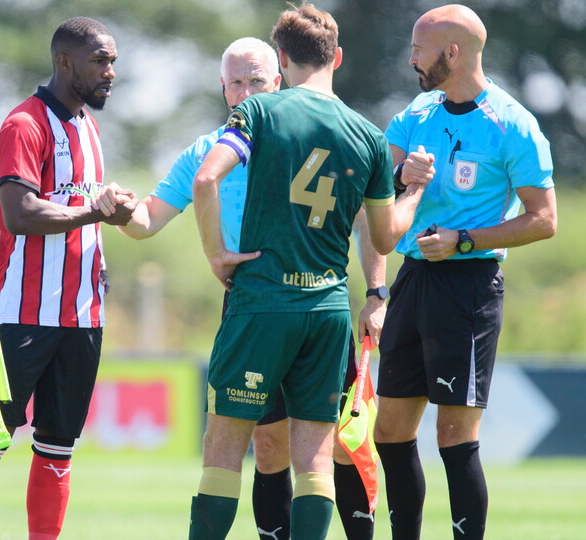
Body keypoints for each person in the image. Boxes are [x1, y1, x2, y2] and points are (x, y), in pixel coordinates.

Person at [114, 36, 388, 540]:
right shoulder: (210, 146)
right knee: (270, 447)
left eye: (255, 81)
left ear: (278, 79)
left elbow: (366, 223)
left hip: (286, 302)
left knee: (340, 445)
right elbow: (148, 219)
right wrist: (117, 210)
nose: (244, 93)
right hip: (260, 299)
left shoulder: (292, 136)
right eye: (235, 83)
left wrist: (376, 291)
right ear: (222, 88)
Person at [186, 4, 433, 539]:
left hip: (261, 304)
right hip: (326, 310)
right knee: (316, 460)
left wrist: (216, 254)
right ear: (336, 57)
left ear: (281, 59)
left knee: (224, 448)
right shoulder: (368, 135)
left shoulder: (261, 113)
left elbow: (207, 180)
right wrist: (414, 191)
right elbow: (386, 235)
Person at [373, 5, 557, 540]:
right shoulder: (418, 111)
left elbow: (544, 221)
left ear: (452, 52)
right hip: (412, 279)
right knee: (390, 430)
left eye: (418, 49)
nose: (410, 58)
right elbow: (376, 183)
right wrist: (398, 173)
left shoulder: (513, 122)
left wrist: (464, 240)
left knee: (454, 432)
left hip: (469, 287)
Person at [0, 17, 137, 540]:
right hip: (21, 315)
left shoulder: (89, 127)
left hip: (82, 317)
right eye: (100, 61)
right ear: (64, 63)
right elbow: (19, 213)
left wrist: (115, 212)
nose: (111, 72)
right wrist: (95, 213)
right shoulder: (24, 124)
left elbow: (83, 208)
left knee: (58, 448)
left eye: (113, 62)